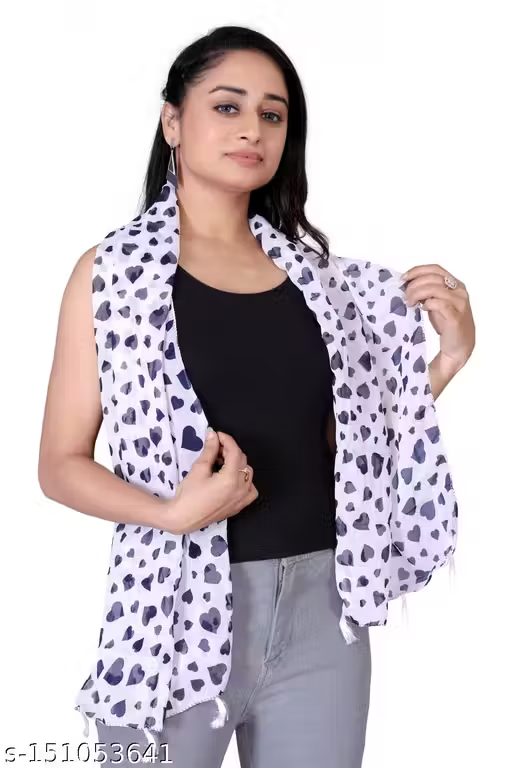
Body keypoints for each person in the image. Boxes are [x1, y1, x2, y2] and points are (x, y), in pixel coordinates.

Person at [38, 25, 475, 768]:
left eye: (273, 115)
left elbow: (346, 443)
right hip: (172, 612)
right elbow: (60, 463)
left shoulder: (322, 283)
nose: (252, 129)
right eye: (227, 106)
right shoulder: (112, 275)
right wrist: (170, 513)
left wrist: (449, 359)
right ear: (173, 121)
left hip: (323, 611)